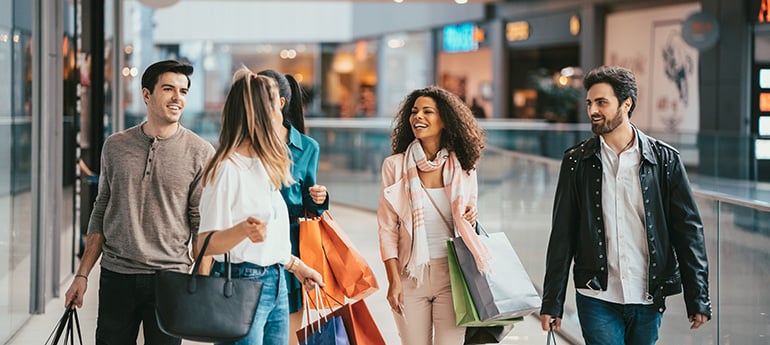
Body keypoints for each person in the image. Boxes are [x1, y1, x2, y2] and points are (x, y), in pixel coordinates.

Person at [539, 65, 711, 344]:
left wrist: (698, 296)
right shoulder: (576, 162)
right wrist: (552, 302)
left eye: (601, 102)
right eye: (589, 103)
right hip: (596, 296)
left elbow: (688, 231)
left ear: (626, 104)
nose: (592, 110)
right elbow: (562, 234)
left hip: (647, 295)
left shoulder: (665, 160)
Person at [64, 59, 215, 344]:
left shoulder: (200, 152)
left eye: (183, 91)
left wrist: (201, 283)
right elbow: (101, 210)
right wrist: (82, 275)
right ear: (147, 95)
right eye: (168, 89)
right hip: (117, 276)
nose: (177, 98)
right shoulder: (115, 146)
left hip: (170, 279)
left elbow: (201, 224)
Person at [196, 67, 324, 345]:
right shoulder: (227, 169)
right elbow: (204, 244)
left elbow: (271, 240)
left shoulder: (266, 166)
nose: (282, 112)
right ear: (259, 115)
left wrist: (297, 267)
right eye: (275, 106)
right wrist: (242, 230)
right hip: (242, 284)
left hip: (276, 281)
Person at [377, 86, 487, 345]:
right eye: (414, 112)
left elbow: (468, 217)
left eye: (428, 111)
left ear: (445, 120)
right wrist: (393, 281)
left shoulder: (464, 168)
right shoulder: (394, 166)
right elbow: (387, 229)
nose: (418, 117)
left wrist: (471, 216)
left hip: (453, 274)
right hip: (410, 274)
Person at [257, 69, 329, 345]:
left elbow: (309, 202)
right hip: (253, 245)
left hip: (291, 246)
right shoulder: (248, 143)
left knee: (286, 336)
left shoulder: (307, 147)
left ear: (280, 102)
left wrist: (319, 198)